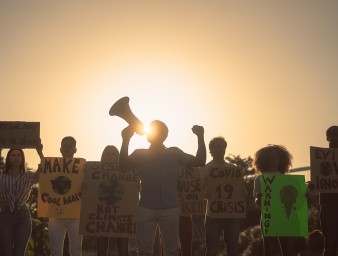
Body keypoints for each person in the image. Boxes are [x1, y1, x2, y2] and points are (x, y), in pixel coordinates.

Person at [119, 120, 206, 256]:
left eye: (157, 130)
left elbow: (200, 161)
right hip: (146, 208)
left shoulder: (174, 153)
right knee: (144, 251)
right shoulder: (139, 154)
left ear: (165, 135)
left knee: (171, 251)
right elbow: (123, 166)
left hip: (170, 208)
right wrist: (125, 140)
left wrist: (200, 137)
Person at [0, 143, 44, 256]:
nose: (15, 157)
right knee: (7, 252)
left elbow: (43, 172)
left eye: (18, 155)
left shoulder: (28, 176)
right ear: (8, 158)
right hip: (5, 213)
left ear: (22, 158)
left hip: (22, 215)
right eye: (13, 155)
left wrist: (40, 152)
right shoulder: (1, 176)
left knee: (19, 253)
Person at [253, 144, 297, 256]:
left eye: (276, 155)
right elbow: (258, 203)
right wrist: (259, 199)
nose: (274, 158)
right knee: (269, 251)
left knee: (288, 250)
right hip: (268, 218)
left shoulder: (287, 179)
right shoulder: (259, 179)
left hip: (285, 218)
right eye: (270, 156)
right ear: (265, 159)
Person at [199, 136, 240, 256]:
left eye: (222, 146)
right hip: (213, 213)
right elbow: (198, 190)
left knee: (233, 250)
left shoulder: (233, 169)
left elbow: (238, 190)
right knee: (211, 250)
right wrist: (205, 194)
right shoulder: (205, 169)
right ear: (211, 150)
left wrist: (241, 194)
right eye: (217, 146)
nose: (220, 149)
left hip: (231, 213)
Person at [48, 136, 83, 256]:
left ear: (75, 149)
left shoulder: (83, 168)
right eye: (64, 146)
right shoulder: (50, 167)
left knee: (76, 251)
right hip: (55, 214)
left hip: (76, 214)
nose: (67, 148)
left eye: (70, 146)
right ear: (60, 149)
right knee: (55, 251)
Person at [96, 145, 129, 256]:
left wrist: (136, 187)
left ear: (118, 157)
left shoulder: (127, 172)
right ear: (103, 157)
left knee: (124, 252)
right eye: (108, 154)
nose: (110, 156)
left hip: (121, 215)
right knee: (101, 251)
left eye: (113, 154)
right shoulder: (94, 172)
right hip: (101, 216)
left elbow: (130, 192)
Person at [318, 126, 338, 255]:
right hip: (328, 204)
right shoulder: (320, 159)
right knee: (330, 242)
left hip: (328, 205)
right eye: (333, 135)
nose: (335, 138)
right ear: (327, 138)